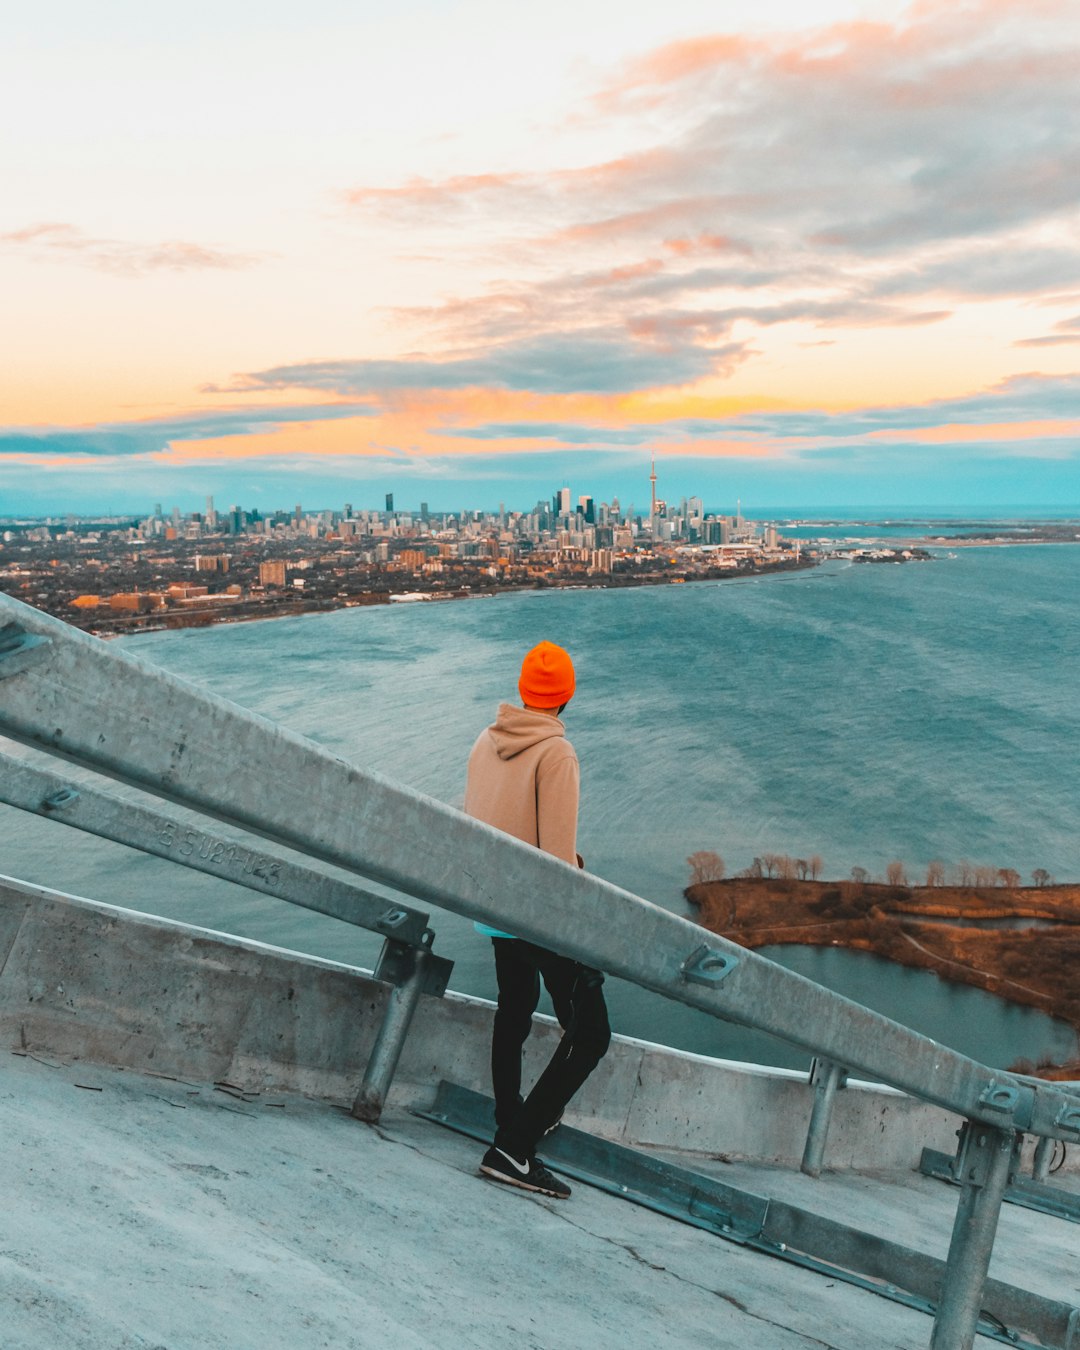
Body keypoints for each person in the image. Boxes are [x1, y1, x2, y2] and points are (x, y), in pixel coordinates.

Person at [464, 640, 610, 1200]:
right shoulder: (557, 755)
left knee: (515, 1012)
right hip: (536, 913)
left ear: (525, 690)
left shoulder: (486, 738)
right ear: (566, 695)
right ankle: (514, 1149)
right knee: (590, 1031)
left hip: (494, 908)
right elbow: (557, 861)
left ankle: (511, 1125)